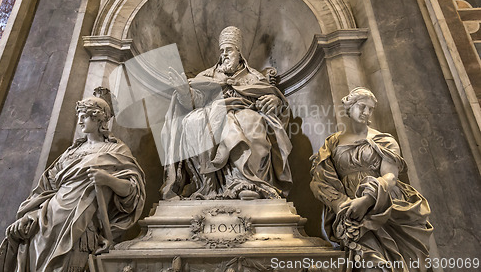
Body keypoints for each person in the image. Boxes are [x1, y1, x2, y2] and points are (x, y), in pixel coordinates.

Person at [0, 88, 146, 272]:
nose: (79, 121)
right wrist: (30, 215)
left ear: (99, 120)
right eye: (79, 115)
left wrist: (108, 180)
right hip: (47, 219)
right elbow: (46, 189)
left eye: (85, 116)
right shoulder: (71, 152)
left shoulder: (116, 151)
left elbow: (133, 193)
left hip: (79, 223)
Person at [161, 26, 292, 200]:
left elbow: (273, 99)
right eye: (221, 50)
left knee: (250, 121)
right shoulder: (208, 75)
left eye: (228, 50)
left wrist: (274, 101)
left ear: (239, 52)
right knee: (193, 120)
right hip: (212, 113)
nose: (224, 54)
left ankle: (245, 181)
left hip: (245, 111)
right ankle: (207, 184)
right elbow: (195, 101)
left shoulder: (255, 77)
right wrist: (185, 92)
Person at [310, 87, 433, 271]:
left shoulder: (384, 140)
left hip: (382, 207)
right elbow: (321, 180)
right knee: (367, 262)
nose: (366, 112)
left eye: (370, 109)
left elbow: (390, 177)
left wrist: (366, 200)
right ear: (349, 107)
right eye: (362, 106)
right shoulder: (332, 143)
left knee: (385, 262)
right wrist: (341, 204)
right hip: (350, 211)